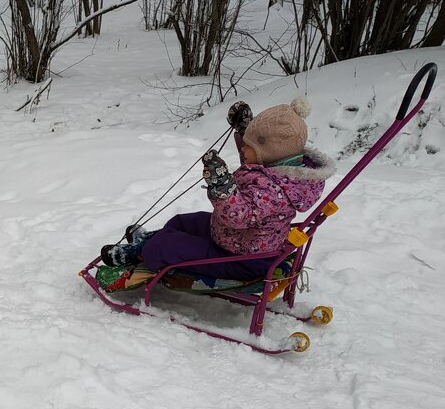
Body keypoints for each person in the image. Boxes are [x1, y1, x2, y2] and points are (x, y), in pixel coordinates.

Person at [99, 98, 336, 292]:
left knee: (164, 246)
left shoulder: (276, 190)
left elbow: (240, 216)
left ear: (267, 152)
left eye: (248, 146)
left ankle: (140, 253)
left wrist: (222, 187)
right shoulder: (278, 169)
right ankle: (147, 240)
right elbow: (255, 164)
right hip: (233, 239)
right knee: (181, 222)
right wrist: (245, 130)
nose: (243, 149)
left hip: (240, 259)